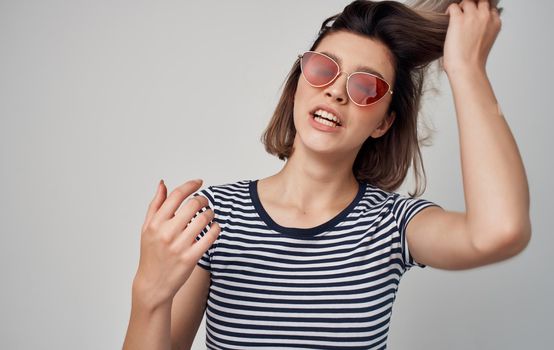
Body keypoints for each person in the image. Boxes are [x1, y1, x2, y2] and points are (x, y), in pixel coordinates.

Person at [123, 0, 531, 349]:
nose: (336, 91)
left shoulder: (391, 225)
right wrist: (149, 294)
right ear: (299, 83)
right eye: (323, 69)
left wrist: (466, 69)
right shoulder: (214, 216)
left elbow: (499, 232)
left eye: (366, 86)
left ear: (383, 123)